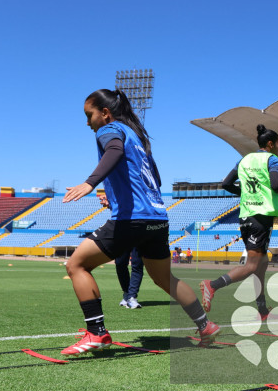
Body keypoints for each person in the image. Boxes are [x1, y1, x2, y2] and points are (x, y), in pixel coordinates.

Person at [61, 89, 219, 355]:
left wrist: (90, 183)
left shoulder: (109, 130)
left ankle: (96, 333)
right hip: (157, 217)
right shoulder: (138, 137)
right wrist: (117, 196)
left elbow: (113, 149)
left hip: (132, 219)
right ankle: (205, 326)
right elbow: (153, 180)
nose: (88, 122)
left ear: (105, 113)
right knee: (165, 279)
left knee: (76, 265)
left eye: (89, 115)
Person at [200, 125, 278, 318]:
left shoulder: (244, 160)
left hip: (246, 215)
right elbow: (275, 184)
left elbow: (226, 183)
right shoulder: (271, 159)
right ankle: (212, 285)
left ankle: (263, 310)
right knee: (252, 266)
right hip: (261, 216)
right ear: (271, 144)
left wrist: (245, 193)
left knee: (261, 264)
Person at [99, 193, 144, 309]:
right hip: (121, 232)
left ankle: (132, 297)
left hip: (138, 230)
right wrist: (110, 203)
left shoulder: (132, 190)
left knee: (137, 265)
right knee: (120, 263)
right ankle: (127, 294)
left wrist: (111, 199)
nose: (102, 202)